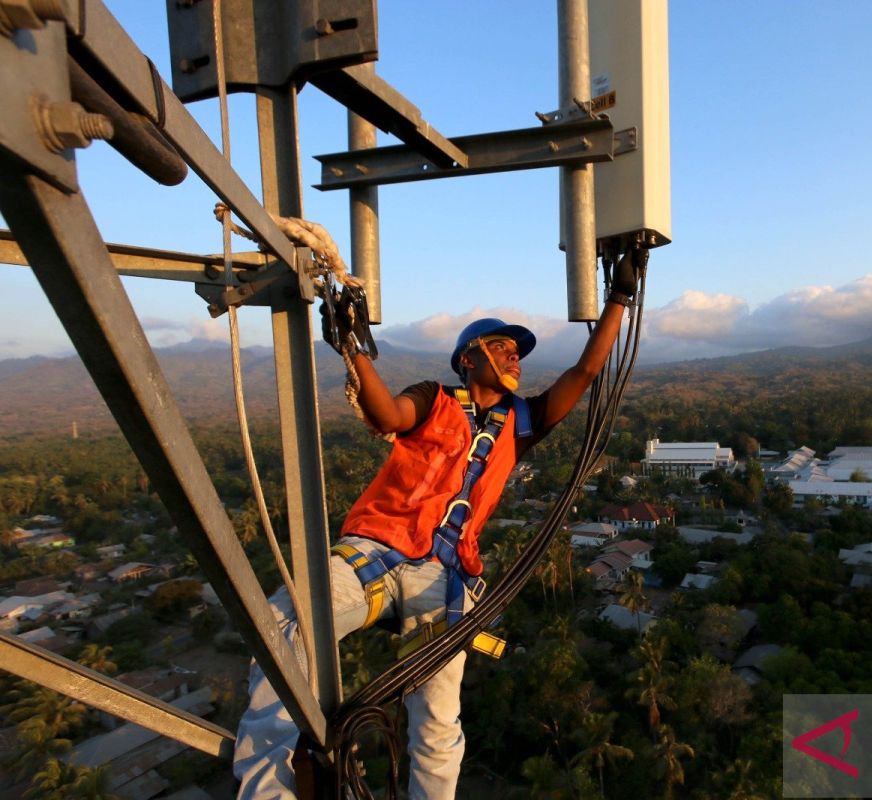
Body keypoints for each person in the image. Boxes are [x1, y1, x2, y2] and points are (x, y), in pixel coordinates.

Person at [233, 249, 643, 799]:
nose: (514, 357)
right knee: (288, 625)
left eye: (517, 352)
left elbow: (586, 370)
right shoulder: (434, 399)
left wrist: (619, 297)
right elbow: (387, 416)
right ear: (467, 360)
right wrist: (354, 350)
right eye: (499, 348)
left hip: (443, 575)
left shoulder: (521, 423)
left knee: (438, 715)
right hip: (376, 550)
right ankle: (266, 792)